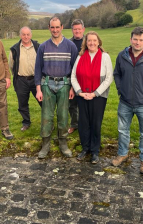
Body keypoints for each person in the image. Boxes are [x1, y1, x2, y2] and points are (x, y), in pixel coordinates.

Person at [112, 27, 143, 174]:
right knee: (122, 131)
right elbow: (117, 74)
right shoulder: (122, 56)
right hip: (125, 102)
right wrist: (121, 89)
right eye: (135, 39)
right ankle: (122, 154)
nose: (137, 42)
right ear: (130, 39)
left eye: (141, 40)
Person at [35, 16, 78, 159]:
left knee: (63, 115)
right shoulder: (43, 46)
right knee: (47, 116)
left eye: (57, 27)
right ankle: (45, 143)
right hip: (47, 84)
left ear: (62, 27)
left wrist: (72, 87)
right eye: (52, 27)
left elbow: (74, 69)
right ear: (49, 28)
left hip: (64, 84)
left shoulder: (70, 46)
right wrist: (38, 89)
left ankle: (63, 142)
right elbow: (37, 69)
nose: (55, 30)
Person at [71, 31, 113, 164]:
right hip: (82, 95)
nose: (92, 43)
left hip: (98, 96)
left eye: (94, 40)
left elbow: (108, 78)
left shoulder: (105, 57)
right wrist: (79, 92)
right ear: (86, 42)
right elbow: (73, 76)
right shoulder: (80, 56)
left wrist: (95, 93)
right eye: (89, 40)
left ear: (99, 42)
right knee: (83, 123)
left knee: (95, 123)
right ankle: (85, 148)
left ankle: (95, 151)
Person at [9, 26, 42, 131]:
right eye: (24, 34)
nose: (26, 36)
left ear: (31, 35)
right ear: (20, 35)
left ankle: (47, 122)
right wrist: (18, 77)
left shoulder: (38, 47)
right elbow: (11, 66)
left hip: (36, 80)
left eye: (28, 34)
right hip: (21, 80)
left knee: (43, 101)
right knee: (22, 103)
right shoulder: (14, 49)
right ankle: (26, 122)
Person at [68, 19, 86, 134]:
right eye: (75, 29)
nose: (77, 31)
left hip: (85, 77)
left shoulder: (89, 42)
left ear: (83, 29)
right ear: (72, 30)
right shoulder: (68, 43)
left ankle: (85, 124)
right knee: (72, 103)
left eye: (79, 29)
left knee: (85, 103)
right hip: (71, 77)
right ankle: (74, 124)